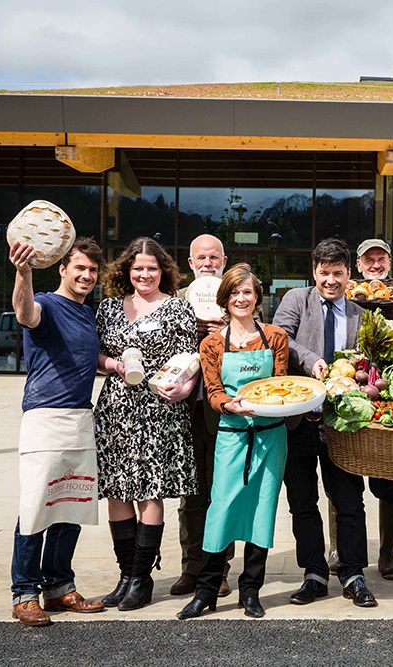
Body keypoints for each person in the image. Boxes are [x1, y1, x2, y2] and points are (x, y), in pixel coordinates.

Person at [177, 264, 290, 619]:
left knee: (262, 511)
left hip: (270, 437)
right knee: (220, 510)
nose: (242, 299)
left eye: (248, 292)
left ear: (257, 297)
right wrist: (230, 405)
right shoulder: (212, 343)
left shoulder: (275, 337)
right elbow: (212, 390)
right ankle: (206, 591)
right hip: (230, 435)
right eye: (235, 293)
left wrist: (266, 405)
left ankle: (251, 591)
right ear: (225, 300)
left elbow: (280, 386)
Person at [94, 236, 199, 611]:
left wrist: (185, 389)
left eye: (152, 268)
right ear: (127, 270)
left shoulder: (176, 308)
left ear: (163, 271)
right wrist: (114, 365)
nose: (144, 274)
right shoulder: (107, 308)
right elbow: (97, 355)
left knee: (149, 492)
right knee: (117, 491)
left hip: (160, 408)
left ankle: (142, 578)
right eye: (138, 268)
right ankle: (125, 575)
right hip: (116, 409)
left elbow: (192, 358)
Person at [272, 238, 378, 607]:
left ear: (349, 273)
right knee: (302, 502)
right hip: (299, 420)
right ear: (313, 272)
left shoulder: (361, 315)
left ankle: (353, 574)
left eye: (337, 273)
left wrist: (367, 380)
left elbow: (369, 365)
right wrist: (313, 360)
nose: (330, 280)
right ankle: (314, 573)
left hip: (343, 424)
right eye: (323, 273)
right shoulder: (295, 300)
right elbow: (280, 337)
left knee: (349, 500)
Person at [7, 236, 106, 627]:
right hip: (45, 417)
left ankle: (59, 587)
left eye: (92, 270)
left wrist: (112, 365)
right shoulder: (46, 302)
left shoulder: (88, 313)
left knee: (71, 507)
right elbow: (24, 313)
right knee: (36, 508)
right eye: (79, 268)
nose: (86, 275)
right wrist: (23, 271)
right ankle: (24, 593)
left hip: (81, 417)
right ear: (62, 269)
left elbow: (84, 357)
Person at [317, 237, 393, 581]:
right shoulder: (347, 297)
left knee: (389, 482)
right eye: (369, 259)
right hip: (346, 399)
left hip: (387, 401)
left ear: (389, 262)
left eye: (381, 259)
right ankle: (338, 548)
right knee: (341, 479)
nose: (376, 265)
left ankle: (387, 554)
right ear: (357, 265)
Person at [171, 234, 235, 599]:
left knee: (221, 489)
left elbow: (257, 345)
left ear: (224, 260)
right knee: (191, 493)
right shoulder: (176, 302)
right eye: (201, 257)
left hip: (223, 408)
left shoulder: (240, 299)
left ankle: (219, 569)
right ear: (191, 263)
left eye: (214, 257)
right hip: (186, 409)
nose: (208, 262)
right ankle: (190, 567)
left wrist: (223, 334)